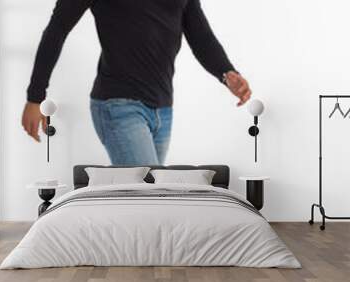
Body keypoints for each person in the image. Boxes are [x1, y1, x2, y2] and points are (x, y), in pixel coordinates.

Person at [22, 0, 251, 165]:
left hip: (162, 108)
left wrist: (226, 72)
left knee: (143, 200)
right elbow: (57, 29)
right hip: (118, 104)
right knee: (146, 197)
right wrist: (35, 97)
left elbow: (200, 35)